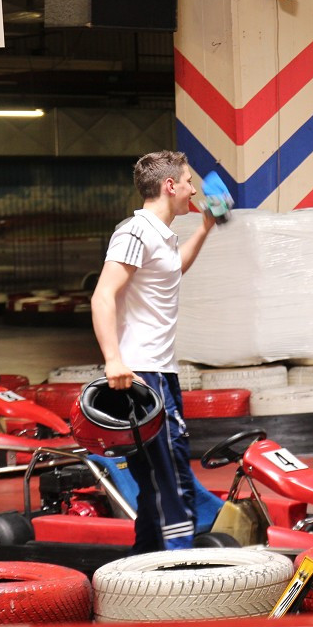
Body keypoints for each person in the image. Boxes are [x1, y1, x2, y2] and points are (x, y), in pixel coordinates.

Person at [90, 150, 216, 552]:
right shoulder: (134, 232)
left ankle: (142, 567)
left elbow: (173, 268)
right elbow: (103, 296)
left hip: (162, 369)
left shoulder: (162, 235)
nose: (193, 190)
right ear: (169, 186)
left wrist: (205, 228)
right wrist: (114, 359)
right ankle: (183, 569)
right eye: (188, 182)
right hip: (143, 374)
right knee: (172, 474)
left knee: (155, 480)